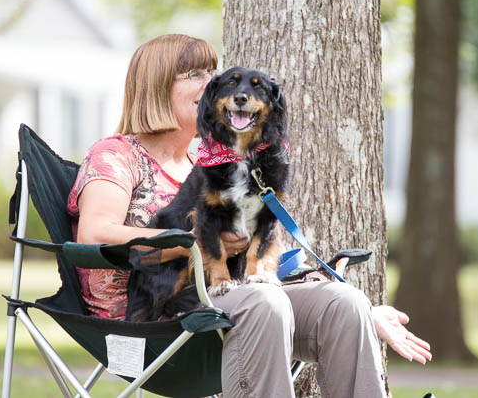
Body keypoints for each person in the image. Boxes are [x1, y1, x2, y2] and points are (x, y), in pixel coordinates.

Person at [67, 34, 432, 398]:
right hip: (154, 320)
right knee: (264, 303)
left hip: (231, 301)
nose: (211, 82)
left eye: (212, 71)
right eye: (195, 73)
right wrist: (187, 244)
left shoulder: (211, 163)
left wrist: (368, 311)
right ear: (157, 85)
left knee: (344, 304)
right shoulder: (115, 156)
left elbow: (262, 257)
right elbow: (94, 234)